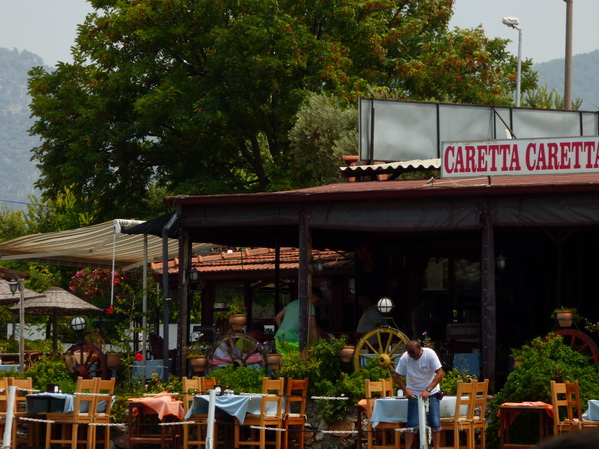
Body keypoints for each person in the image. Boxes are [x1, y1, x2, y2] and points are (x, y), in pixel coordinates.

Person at [392, 340, 444, 449]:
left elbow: (440, 373)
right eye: (411, 356)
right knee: (412, 424)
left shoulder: (429, 354)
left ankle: (437, 447)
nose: (414, 358)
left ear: (421, 349)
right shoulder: (405, 357)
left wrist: (428, 389)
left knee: (435, 422)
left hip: (432, 391)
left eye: (416, 355)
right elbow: (396, 376)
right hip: (414, 392)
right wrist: (406, 390)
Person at [274, 287, 321, 357]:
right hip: (292, 341)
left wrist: (284, 331)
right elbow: (313, 326)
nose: (316, 304)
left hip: (279, 338)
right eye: (316, 301)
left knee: (285, 364)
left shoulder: (291, 303)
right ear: (312, 296)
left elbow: (277, 317)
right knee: (300, 363)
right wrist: (317, 345)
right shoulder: (309, 305)